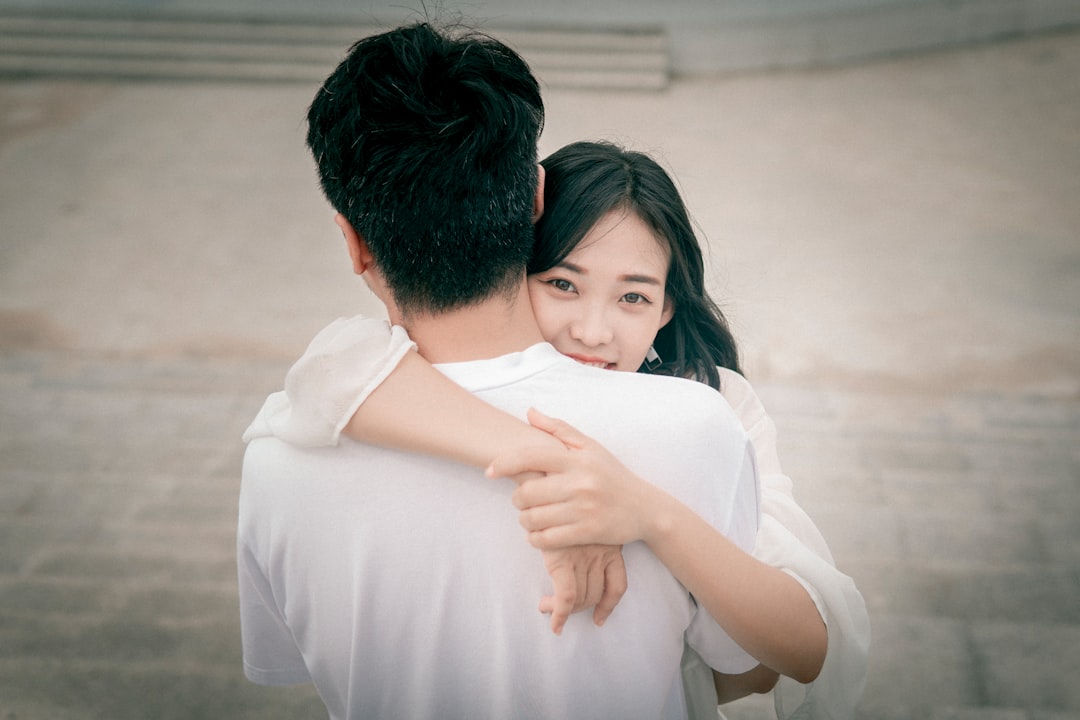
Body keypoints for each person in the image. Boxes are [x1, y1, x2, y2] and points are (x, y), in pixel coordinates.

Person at [237, 22, 762, 720]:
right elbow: (747, 666)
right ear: (537, 197)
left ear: (354, 242)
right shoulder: (692, 426)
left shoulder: (280, 456)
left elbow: (298, 665)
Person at [246, 140, 871, 718]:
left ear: (667, 307)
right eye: (563, 284)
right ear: (515, 271)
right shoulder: (414, 381)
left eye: (633, 298)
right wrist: (544, 457)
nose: (593, 332)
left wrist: (650, 514)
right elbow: (331, 371)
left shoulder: (713, 405)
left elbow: (789, 655)